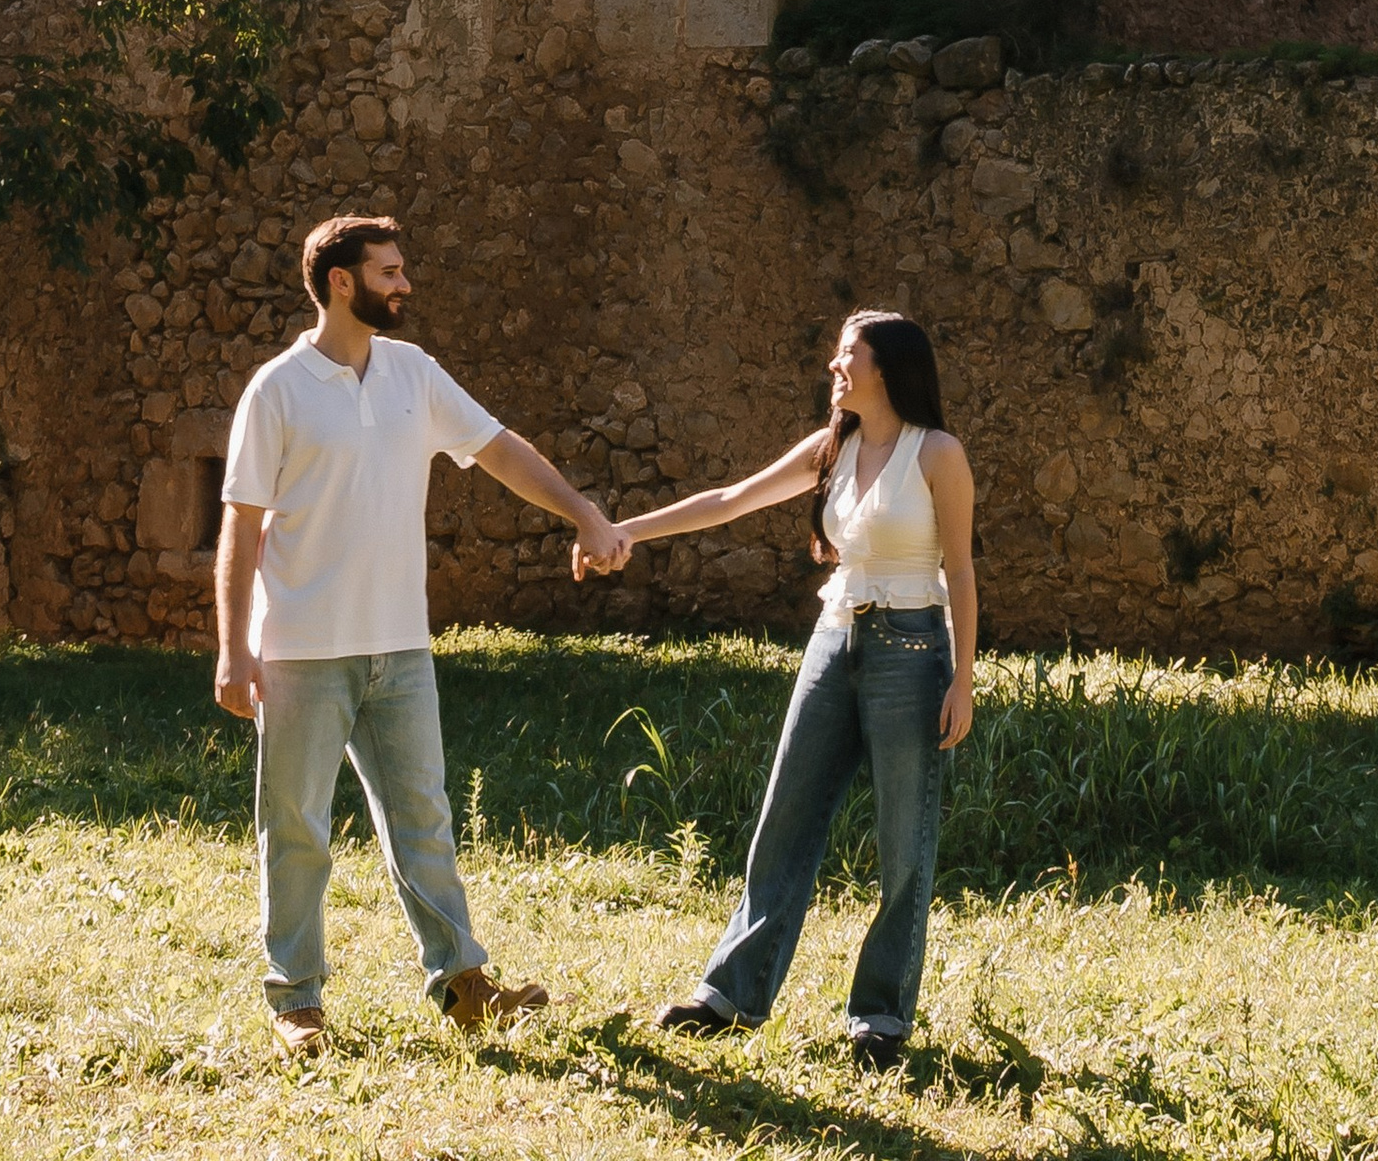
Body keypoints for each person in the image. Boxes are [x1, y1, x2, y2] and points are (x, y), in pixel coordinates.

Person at [214, 209, 628, 1055]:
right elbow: (240, 525)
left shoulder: (413, 372)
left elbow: (501, 450)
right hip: (300, 650)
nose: (405, 284)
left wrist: (582, 512)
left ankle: (462, 983)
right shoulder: (278, 389)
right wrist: (233, 648)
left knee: (424, 819)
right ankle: (296, 1001)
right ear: (342, 282)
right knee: (296, 828)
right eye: (390, 271)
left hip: (400, 646)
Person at [582, 308, 976, 1069]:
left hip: (912, 650)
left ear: (887, 366)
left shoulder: (937, 454)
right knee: (785, 818)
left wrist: (963, 678)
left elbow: (959, 570)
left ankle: (881, 1018)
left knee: (905, 841)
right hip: (835, 637)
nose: (834, 366)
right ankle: (731, 994)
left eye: (847, 355)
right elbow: (730, 499)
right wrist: (624, 531)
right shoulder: (834, 446)